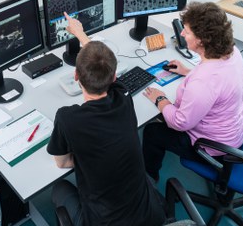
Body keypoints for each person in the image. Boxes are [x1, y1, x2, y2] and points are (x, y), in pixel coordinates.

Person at [47, 12, 166, 226]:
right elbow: (107, 65)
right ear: (114, 78)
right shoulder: (123, 96)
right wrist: (81, 34)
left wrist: (91, 155)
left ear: (76, 76)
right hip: (149, 215)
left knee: (58, 189)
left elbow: (62, 162)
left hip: (103, 222)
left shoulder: (67, 119)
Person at [142, 2, 243, 182]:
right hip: (235, 130)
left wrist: (160, 99)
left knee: (152, 131)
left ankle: (148, 178)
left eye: (187, 31)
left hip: (214, 148)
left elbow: (180, 123)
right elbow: (217, 84)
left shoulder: (203, 81)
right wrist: (187, 72)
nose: (182, 34)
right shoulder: (232, 52)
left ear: (201, 40)